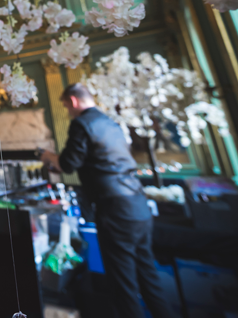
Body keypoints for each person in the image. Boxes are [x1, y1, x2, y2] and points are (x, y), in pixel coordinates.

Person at [41, 83, 173, 318]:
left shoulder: (82, 123)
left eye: (66, 106)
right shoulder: (110, 123)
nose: (68, 112)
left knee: (123, 285)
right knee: (148, 277)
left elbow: (68, 164)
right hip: (138, 205)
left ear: (73, 101)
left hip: (116, 209)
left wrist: (48, 156)